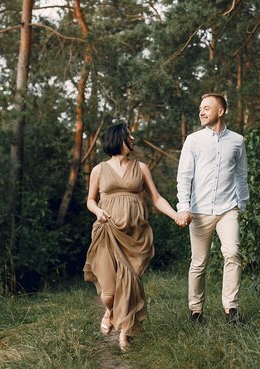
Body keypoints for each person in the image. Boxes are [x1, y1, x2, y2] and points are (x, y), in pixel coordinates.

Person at [83, 123, 178, 352]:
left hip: (135, 234)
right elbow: (90, 200)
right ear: (118, 139)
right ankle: (110, 311)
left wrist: (175, 215)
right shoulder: (99, 169)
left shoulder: (141, 167)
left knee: (130, 284)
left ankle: (124, 334)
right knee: (109, 294)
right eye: (129, 135)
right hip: (107, 231)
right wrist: (98, 212)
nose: (133, 138)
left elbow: (156, 198)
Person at [175, 93, 249, 324]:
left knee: (233, 254)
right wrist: (183, 207)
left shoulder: (238, 141)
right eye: (200, 108)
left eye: (207, 107)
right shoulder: (193, 140)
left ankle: (231, 309)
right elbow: (184, 177)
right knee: (199, 262)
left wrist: (242, 204)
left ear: (221, 111)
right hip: (198, 212)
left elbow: (241, 174)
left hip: (228, 209)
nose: (201, 111)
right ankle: (196, 311)